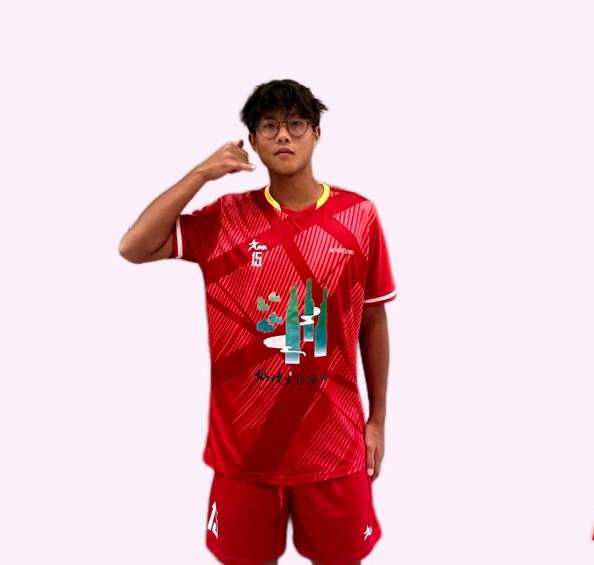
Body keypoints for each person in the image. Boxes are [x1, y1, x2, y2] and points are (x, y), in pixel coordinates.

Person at [119, 79, 396, 565]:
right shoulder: (226, 217)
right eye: (269, 126)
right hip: (244, 455)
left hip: (333, 448)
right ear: (252, 139)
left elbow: (373, 320)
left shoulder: (358, 216)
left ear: (316, 134)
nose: (283, 135)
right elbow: (134, 246)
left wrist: (377, 420)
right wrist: (201, 174)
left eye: (296, 124)